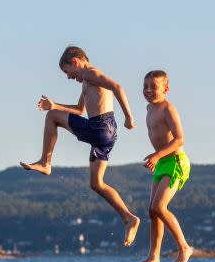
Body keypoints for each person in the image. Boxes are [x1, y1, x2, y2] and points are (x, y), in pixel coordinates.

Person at [20, 45, 140, 246]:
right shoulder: (87, 81)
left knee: (51, 118)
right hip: (106, 133)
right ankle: (129, 218)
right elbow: (78, 110)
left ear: (75, 61)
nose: (68, 77)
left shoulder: (91, 74)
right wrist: (55, 105)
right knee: (96, 184)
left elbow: (117, 87)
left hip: (100, 126)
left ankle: (45, 162)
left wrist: (129, 117)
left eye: (67, 72)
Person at [133, 70, 192, 262]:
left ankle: (184, 247)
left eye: (154, 87)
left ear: (166, 89)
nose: (148, 90)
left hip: (175, 162)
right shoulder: (149, 109)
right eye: (145, 87)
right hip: (162, 163)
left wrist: (157, 155)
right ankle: (153, 257)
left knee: (159, 207)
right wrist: (157, 159)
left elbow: (179, 139)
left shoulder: (168, 109)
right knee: (152, 211)